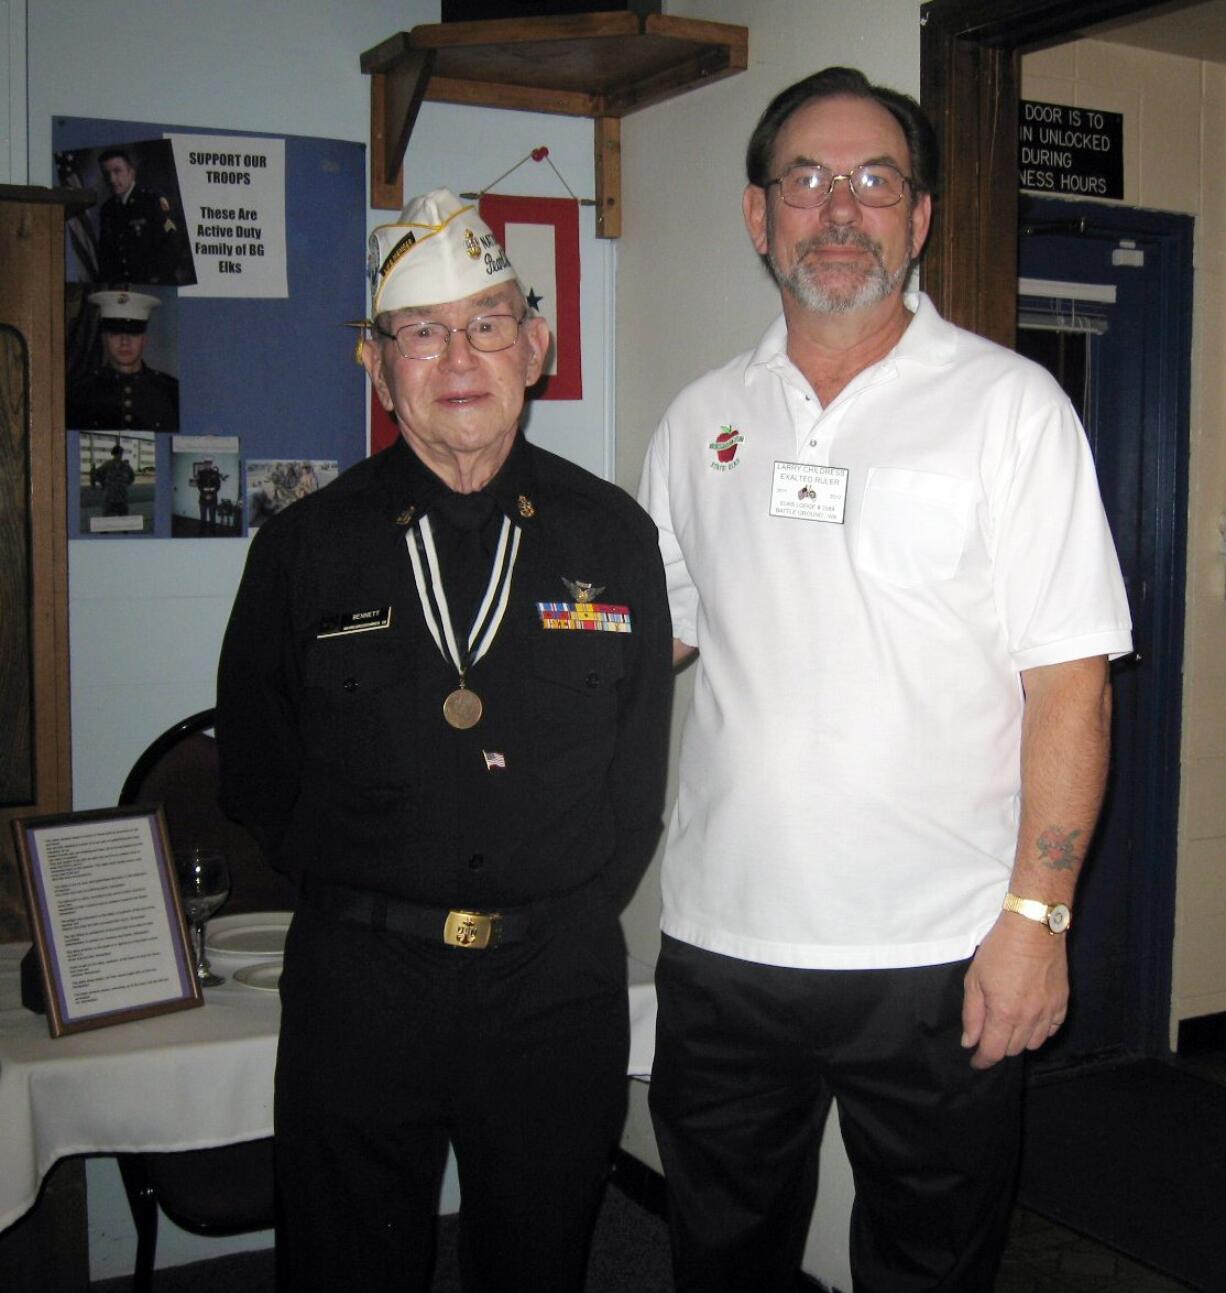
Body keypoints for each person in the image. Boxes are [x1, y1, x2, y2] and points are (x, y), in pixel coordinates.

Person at [637, 67, 1134, 1292]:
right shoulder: (700, 420)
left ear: (918, 220)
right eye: (806, 180)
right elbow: (652, 645)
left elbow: (1070, 686)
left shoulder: (1010, 409)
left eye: (875, 181)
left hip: (941, 954)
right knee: (719, 1255)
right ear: (759, 217)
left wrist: (1036, 922)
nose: (839, 210)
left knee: (930, 1264)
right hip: (723, 945)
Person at [216, 187, 672, 1292]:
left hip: (554, 982)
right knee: (345, 1265)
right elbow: (257, 770)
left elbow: (635, 774)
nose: (456, 356)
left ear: (536, 346)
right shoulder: (302, 549)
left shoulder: (611, 536)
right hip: (360, 982)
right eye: (420, 332)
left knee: (540, 1256)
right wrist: (374, 893)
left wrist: (551, 906)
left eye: (485, 322)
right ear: (374, 363)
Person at [67, 290, 179, 431]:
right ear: (104, 339)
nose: (124, 342)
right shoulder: (80, 394)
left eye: (133, 333)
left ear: (144, 340)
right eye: (116, 333)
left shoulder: (171, 392)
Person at [96, 147, 184, 285]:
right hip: (123, 288)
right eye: (106, 174)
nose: (112, 179)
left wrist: (155, 279)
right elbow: (105, 256)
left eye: (117, 171)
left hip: (157, 285)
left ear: (131, 173)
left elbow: (173, 244)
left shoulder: (153, 200)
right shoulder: (107, 209)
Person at [90, 442, 135, 516]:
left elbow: (132, 477)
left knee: (124, 519)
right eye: (118, 454)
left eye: (121, 453)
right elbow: (96, 474)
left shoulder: (126, 466)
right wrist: (103, 484)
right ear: (114, 454)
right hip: (110, 498)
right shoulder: (107, 465)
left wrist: (124, 485)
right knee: (108, 520)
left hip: (122, 497)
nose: (119, 455)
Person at [191, 459, 226, 534]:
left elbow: (218, 486)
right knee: (203, 516)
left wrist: (211, 495)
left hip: (213, 498)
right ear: (204, 464)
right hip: (203, 498)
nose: (207, 465)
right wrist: (205, 495)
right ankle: (202, 531)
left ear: (211, 464)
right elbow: (199, 486)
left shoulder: (215, 473)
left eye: (209, 464)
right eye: (206, 464)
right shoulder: (200, 473)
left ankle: (212, 531)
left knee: (212, 516)